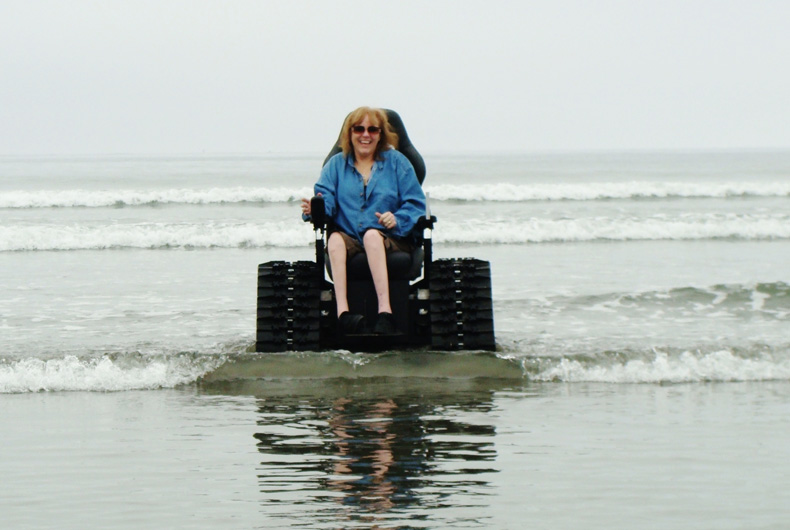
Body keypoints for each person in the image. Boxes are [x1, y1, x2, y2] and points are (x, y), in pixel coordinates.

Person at [301, 107, 426, 335]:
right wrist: (316, 209)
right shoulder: (336, 165)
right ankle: (343, 315)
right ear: (349, 134)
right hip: (350, 236)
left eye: (372, 130)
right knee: (336, 240)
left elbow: (416, 203)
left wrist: (397, 218)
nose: (365, 135)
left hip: (392, 237)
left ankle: (385, 313)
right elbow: (325, 198)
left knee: (371, 235)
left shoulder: (398, 163)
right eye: (359, 129)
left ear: (381, 134)